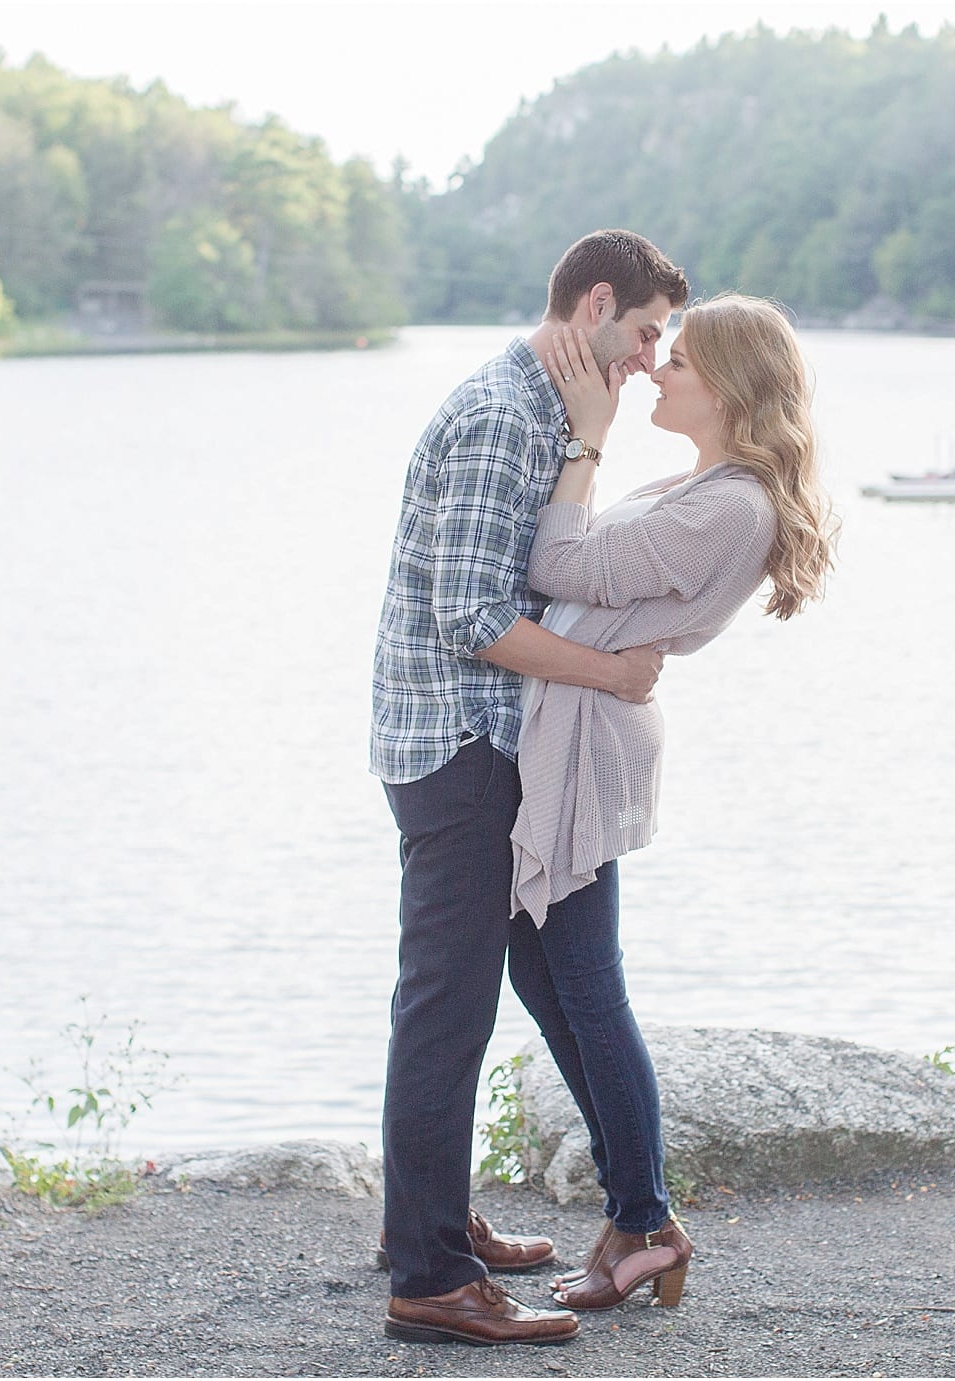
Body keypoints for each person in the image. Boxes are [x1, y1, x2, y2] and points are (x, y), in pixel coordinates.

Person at [370, 229, 690, 1347]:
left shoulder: (541, 411)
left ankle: (433, 1221)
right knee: (446, 1008)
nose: (653, 358)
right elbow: (473, 617)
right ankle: (428, 1278)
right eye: (646, 331)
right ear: (596, 303)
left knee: (458, 998)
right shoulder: (507, 417)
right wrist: (613, 672)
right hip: (459, 746)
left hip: (475, 746)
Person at [504, 294, 839, 1312]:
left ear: (733, 387)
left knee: (585, 984)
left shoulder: (728, 506)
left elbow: (557, 561)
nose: (658, 369)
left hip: (587, 744)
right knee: (545, 974)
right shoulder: (702, 485)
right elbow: (580, 577)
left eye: (680, 361)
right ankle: (635, 1213)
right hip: (576, 725)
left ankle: (647, 1219)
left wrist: (584, 436)